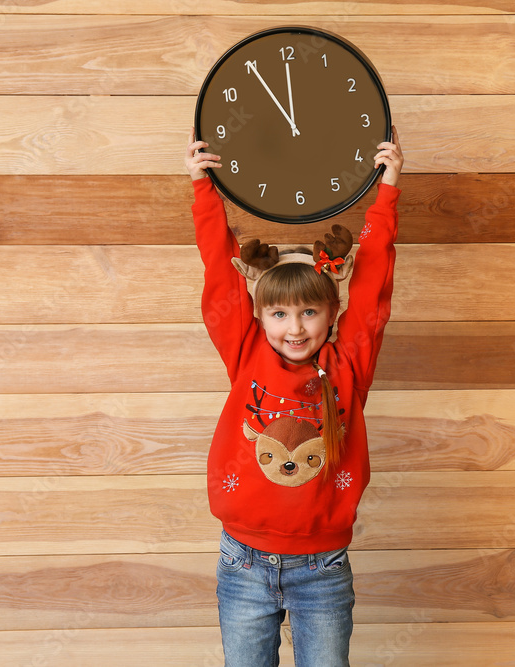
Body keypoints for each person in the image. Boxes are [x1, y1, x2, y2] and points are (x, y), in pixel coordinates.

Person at [184, 126, 404, 666]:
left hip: (321, 569)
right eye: (279, 313)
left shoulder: (348, 362)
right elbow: (219, 270)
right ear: (259, 315)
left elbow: (373, 280)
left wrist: (389, 189)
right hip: (243, 564)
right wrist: (202, 189)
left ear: (333, 315)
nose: (295, 327)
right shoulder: (245, 351)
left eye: (310, 311)